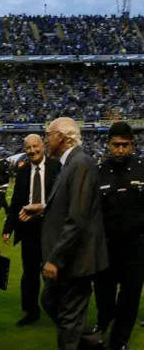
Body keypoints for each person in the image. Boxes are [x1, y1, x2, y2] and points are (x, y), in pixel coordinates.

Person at [19, 117, 108, 350]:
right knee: (49, 300)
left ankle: (79, 339)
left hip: (74, 261)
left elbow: (78, 218)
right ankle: (86, 340)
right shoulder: (70, 162)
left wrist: (55, 260)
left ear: (60, 136)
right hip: (69, 258)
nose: (46, 140)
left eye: (48, 135)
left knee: (68, 323)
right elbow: (72, 205)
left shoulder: (80, 163)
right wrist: (44, 209)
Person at [92, 122, 144, 350]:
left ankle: (120, 340)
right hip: (106, 248)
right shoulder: (98, 171)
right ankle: (104, 322)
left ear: (132, 145)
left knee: (130, 297)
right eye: (116, 145)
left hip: (136, 248)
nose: (120, 150)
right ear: (108, 144)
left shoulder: (142, 169)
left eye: (125, 145)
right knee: (104, 295)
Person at [3, 134, 61, 327]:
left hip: (51, 229)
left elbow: (62, 198)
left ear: (42, 146)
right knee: (29, 274)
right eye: (28, 148)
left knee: (53, 272)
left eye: (35, 146)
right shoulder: (22, 171)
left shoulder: (56, 167)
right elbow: (16, 202)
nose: (32, 151)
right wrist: (8, 227)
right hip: (29, 230)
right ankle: (31, 311)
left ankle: (57, 308)